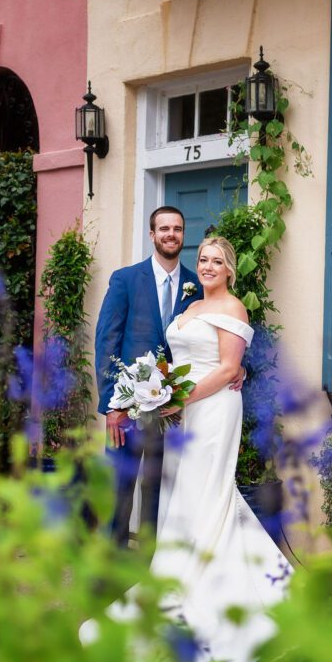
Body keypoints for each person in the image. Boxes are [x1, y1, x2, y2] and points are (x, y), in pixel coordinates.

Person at [83, 237, 332, 662]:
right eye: (204, 260)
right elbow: (182, 359)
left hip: (211, 411)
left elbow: (230, 368)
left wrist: (179, 399)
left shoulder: (234, 308)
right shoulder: (190, 305)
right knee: (184, 494)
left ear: (230, 270)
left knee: (208, 492)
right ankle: (177, 580)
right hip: (184, 410)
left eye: (217, 261)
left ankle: (205, 588)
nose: (208, 266)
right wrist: (157, 391)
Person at [94, 205, 205, 547]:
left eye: (178, 228)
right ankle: (111, 564)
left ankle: (147, 564)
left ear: (183, 235)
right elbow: (106, 341)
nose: (171, 234)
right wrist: (111, 405)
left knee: (156, 486)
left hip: (170, 410)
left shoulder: (195, 285)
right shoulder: (126, 279)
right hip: (126, 406)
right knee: (120, 484)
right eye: (164, 228)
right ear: (152, 234)